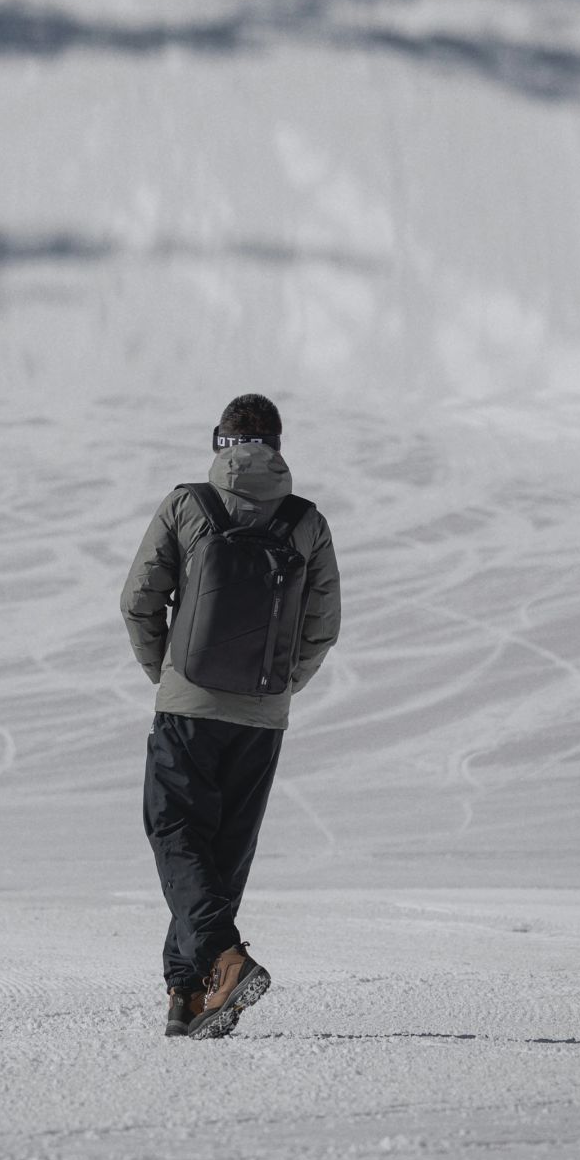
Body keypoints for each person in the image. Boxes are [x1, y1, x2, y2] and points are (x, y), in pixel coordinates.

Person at [120, 394, 341, 1039]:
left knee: (174, 829)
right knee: (223, 852)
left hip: (188, 705)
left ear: (220, 442)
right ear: (276, 443)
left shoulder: (188, 504)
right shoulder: (308, 522)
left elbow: (139, 602)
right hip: (263, 717)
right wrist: (277, 688)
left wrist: (170, 676)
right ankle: (189, 995)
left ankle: (223, 960)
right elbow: (322, 628)